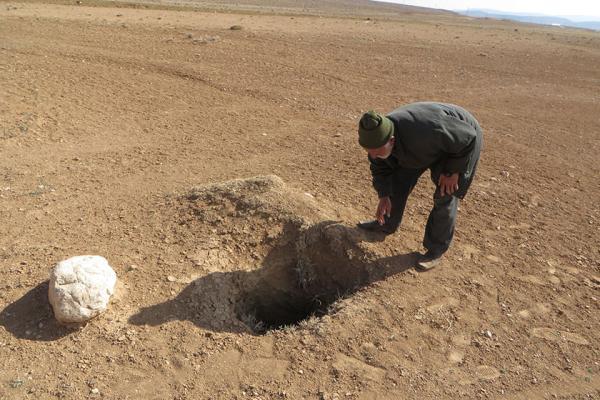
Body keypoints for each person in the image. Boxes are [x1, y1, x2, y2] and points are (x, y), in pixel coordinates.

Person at [357, 102, 483, 271]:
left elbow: (468, 137)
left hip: (458, 144)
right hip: (418, 147)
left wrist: (453, 172)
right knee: (397, 182)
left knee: (446, 194)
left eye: (377, 151)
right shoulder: (377, 142)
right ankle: (386, 224)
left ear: (392, 141)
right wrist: (384, 195)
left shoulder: (427, 130)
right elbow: (381, 170)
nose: (373, 156)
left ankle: (435, 250)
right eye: (369, 151)